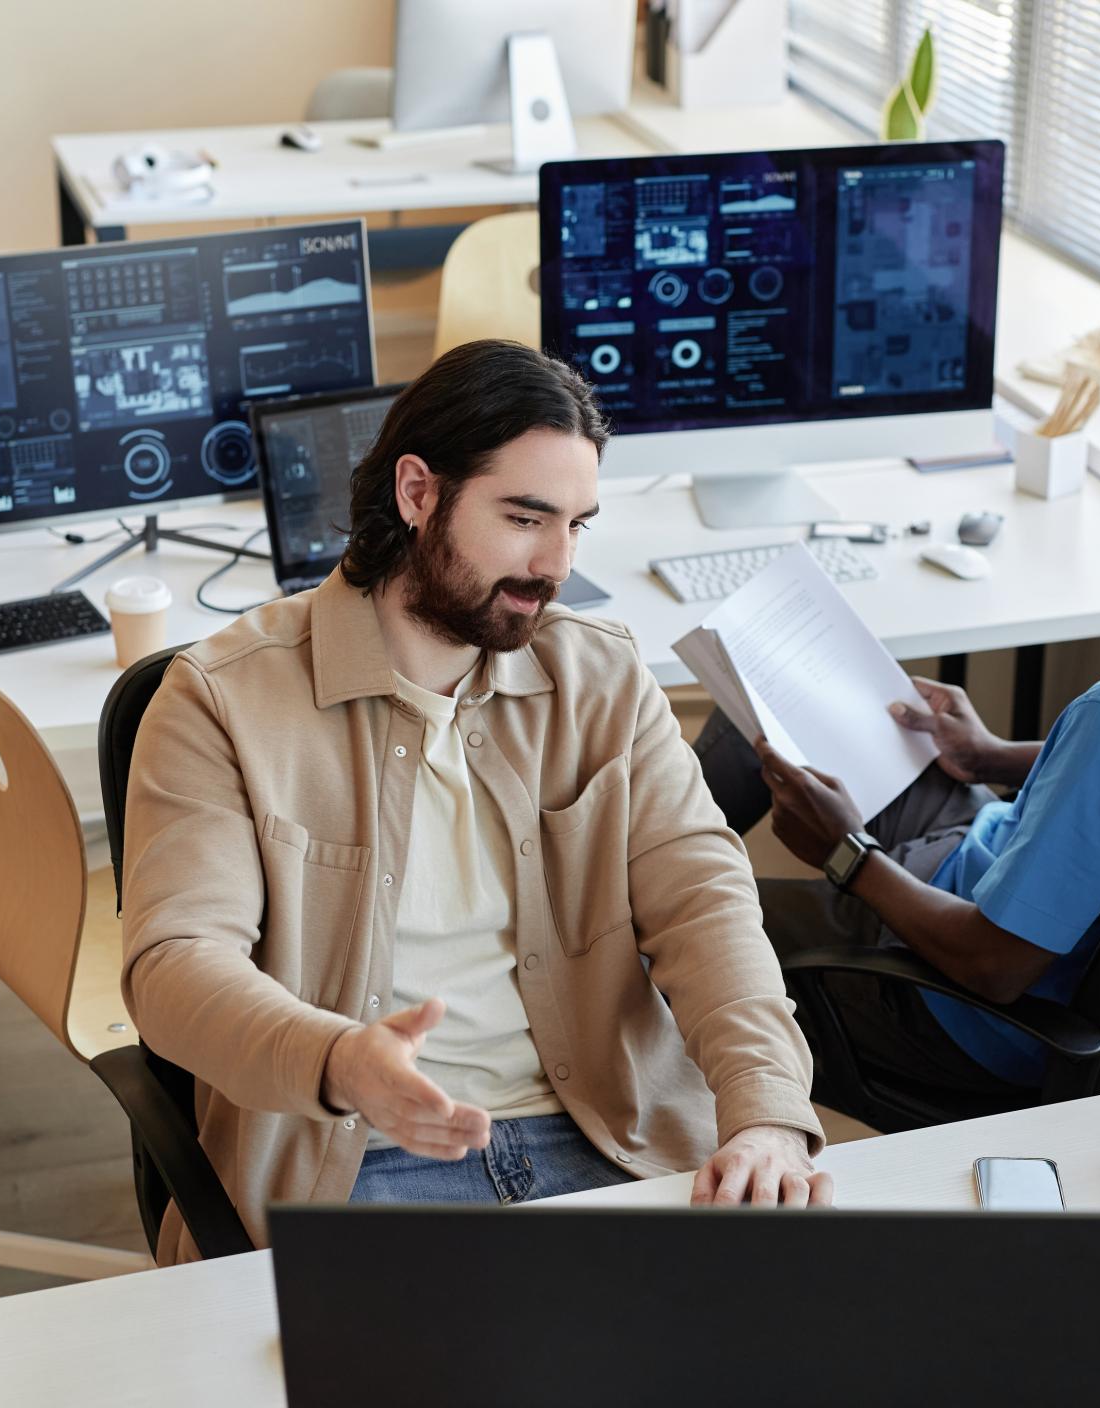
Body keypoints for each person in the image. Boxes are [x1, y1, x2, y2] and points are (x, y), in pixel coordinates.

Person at [121, 340, 828, 1265]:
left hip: (614, 1137)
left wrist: (767, 1109)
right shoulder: (222, 699)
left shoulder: (601, 673)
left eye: (578, 524)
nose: (556, 563)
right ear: (418, 493)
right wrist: (339, 1062)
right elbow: (174, 967)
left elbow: (705, 905)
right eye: (526, 517)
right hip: (365, 1158)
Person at [695, 375, 1100, 1103]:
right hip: (982, 859)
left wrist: (844, 855)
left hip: (953, 1004)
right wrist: (988, 756)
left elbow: (994, 966)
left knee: (685, 915)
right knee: (757, 715)